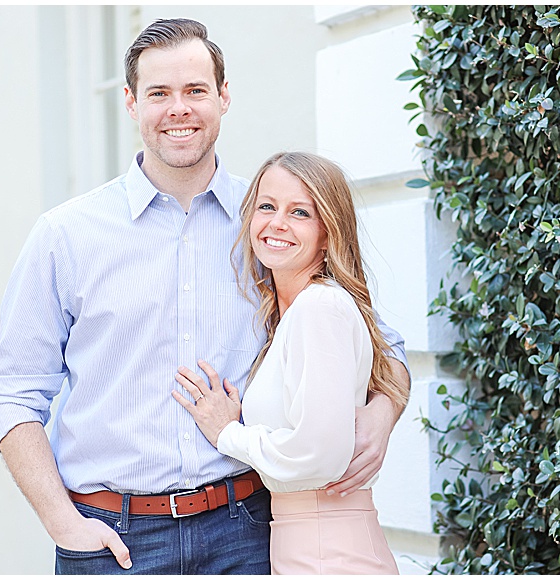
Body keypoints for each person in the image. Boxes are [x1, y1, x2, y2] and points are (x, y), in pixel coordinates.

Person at [0, 18, 411, 575]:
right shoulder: (66, 235)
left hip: (247, 530)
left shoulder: (267, 224)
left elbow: (383, 345)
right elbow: (13, 393)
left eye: (195, 91)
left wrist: (381, 415)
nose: (178, 108)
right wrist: (64, 524)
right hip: (114, 540)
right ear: (133, 103)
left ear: (223, 97)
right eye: (159, 93)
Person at [173, 151, 406, 574]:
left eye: (299, 212)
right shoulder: (291, 312)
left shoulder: (320, 306)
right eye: (267, 207)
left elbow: (315, 455)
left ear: (327, 231)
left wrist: (228, 433)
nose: (277, 223)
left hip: (330, 550)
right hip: (301, 542)